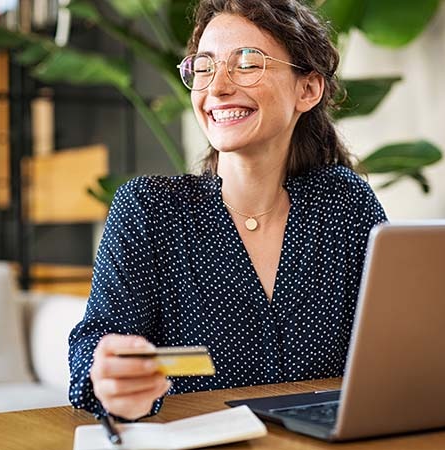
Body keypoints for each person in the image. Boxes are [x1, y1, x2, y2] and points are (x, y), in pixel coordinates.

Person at [68, 0, 388, 421]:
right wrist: (108, 376)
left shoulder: (344, 203)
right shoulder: (148, 210)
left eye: (247, 63)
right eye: (204, 67)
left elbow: (394, 345)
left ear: (307, 89)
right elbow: (94, 347)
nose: (216, 87)